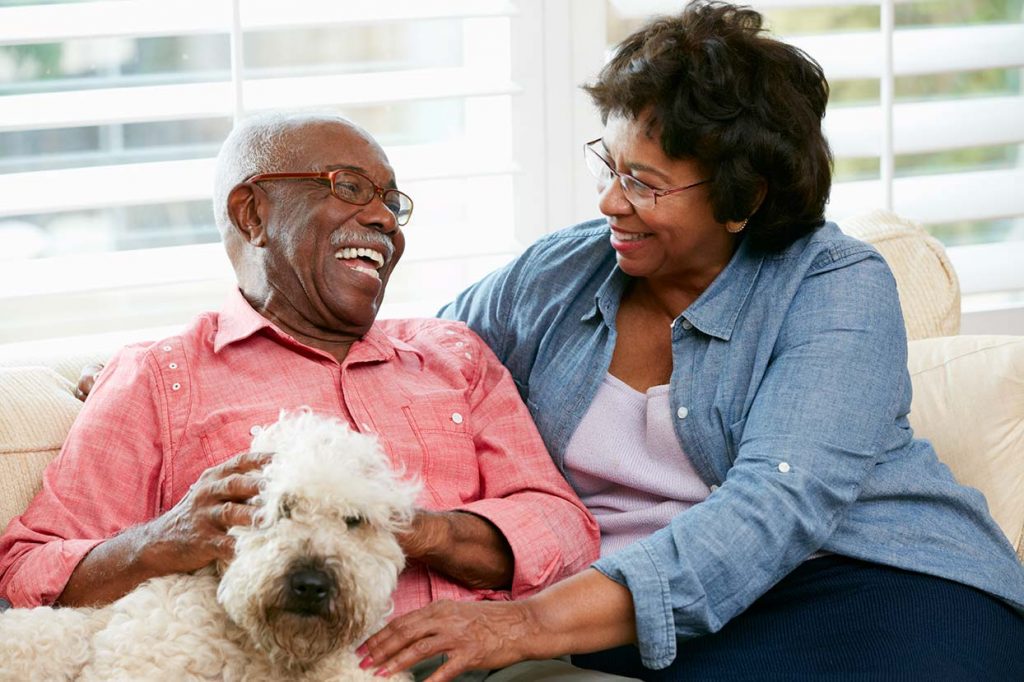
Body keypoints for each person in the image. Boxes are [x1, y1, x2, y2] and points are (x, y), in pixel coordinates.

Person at [358, 2, 1024, 680]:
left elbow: (775, 508)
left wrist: (528, 623)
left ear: (745, 198)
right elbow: (414, 376)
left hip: (864, 585)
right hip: (632, 618)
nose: (610, 203)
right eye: (608, 166)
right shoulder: (558, 274)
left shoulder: (834, 285)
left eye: (644, 183)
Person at [0, 111, 629, 681]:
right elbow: (28, 570)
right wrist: (163, 537)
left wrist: (412, 527)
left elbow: (566, 527)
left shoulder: (451, 354)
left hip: (487, 663)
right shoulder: (159, 376)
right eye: (350, 187)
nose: (384, 218)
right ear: (253, 214)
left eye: (391, 202)